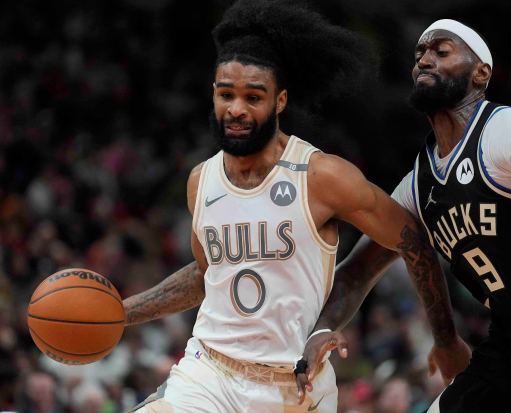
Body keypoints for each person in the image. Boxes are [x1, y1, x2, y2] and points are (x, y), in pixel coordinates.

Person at [297, 19, 511, 413]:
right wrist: (324, 329)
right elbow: (357, 271)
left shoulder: (505, 127)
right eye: (419, 55)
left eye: (441, 51)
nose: (424, 60)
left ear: (481, 73)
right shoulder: (417, 187)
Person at [120, 1, 427, 412]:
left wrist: (437, 333)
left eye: (253, 96)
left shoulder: (321, 176)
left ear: (280, 101)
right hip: (209, 373)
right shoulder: (201, 181)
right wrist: (124, 313)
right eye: (226, 94)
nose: (237, 109)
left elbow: (411, 239)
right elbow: (208, 275)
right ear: (213, 94)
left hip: (294, 387)